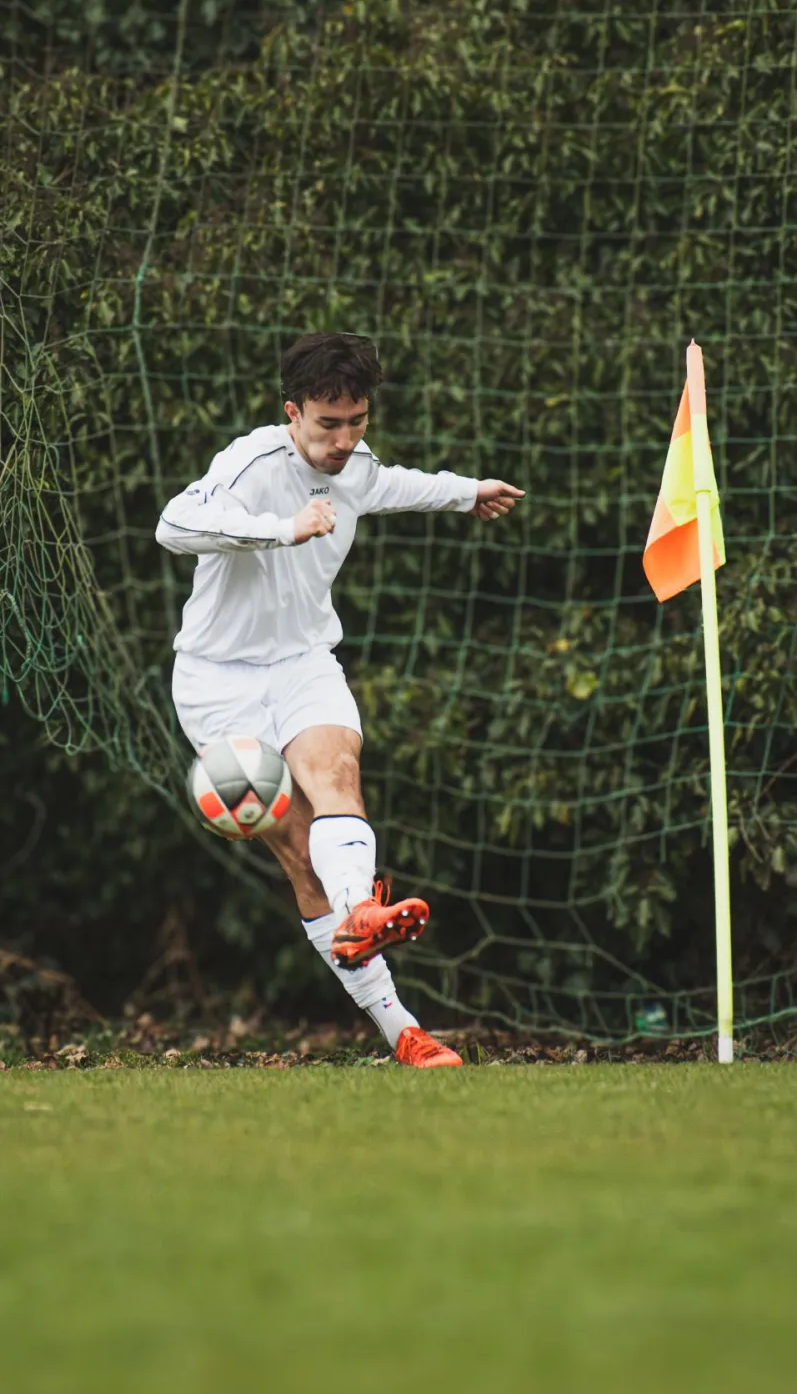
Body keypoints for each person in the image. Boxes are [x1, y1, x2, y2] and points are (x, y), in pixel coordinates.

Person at [156, 333, 524, 1067]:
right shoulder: (251, 463)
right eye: (328, 424)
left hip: (302, 663)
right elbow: (173, 526)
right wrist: (281, 531)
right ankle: (399, 1028)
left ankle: (361, 910)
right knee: (300, 856)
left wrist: (467, 492)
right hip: (216, 682)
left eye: (357, 422)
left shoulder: (355, 466)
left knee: (337, 774)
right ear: (292, 413)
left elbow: (397, 485)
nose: (344, 440)